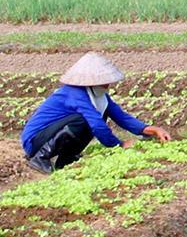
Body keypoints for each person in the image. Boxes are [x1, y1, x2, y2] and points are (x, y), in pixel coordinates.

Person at [20, 52, 172, 174]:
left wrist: (150, 129)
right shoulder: (74, 93)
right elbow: (97, 126)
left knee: (100, 114)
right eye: (104, 81)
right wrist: (119, 145)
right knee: (82, 120)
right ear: (92, 82)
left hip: (49, 134)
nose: (108, 85)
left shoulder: (99, 96)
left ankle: (66, 158)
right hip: (35, 141)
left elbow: (121, 116)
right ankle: (40, 157)